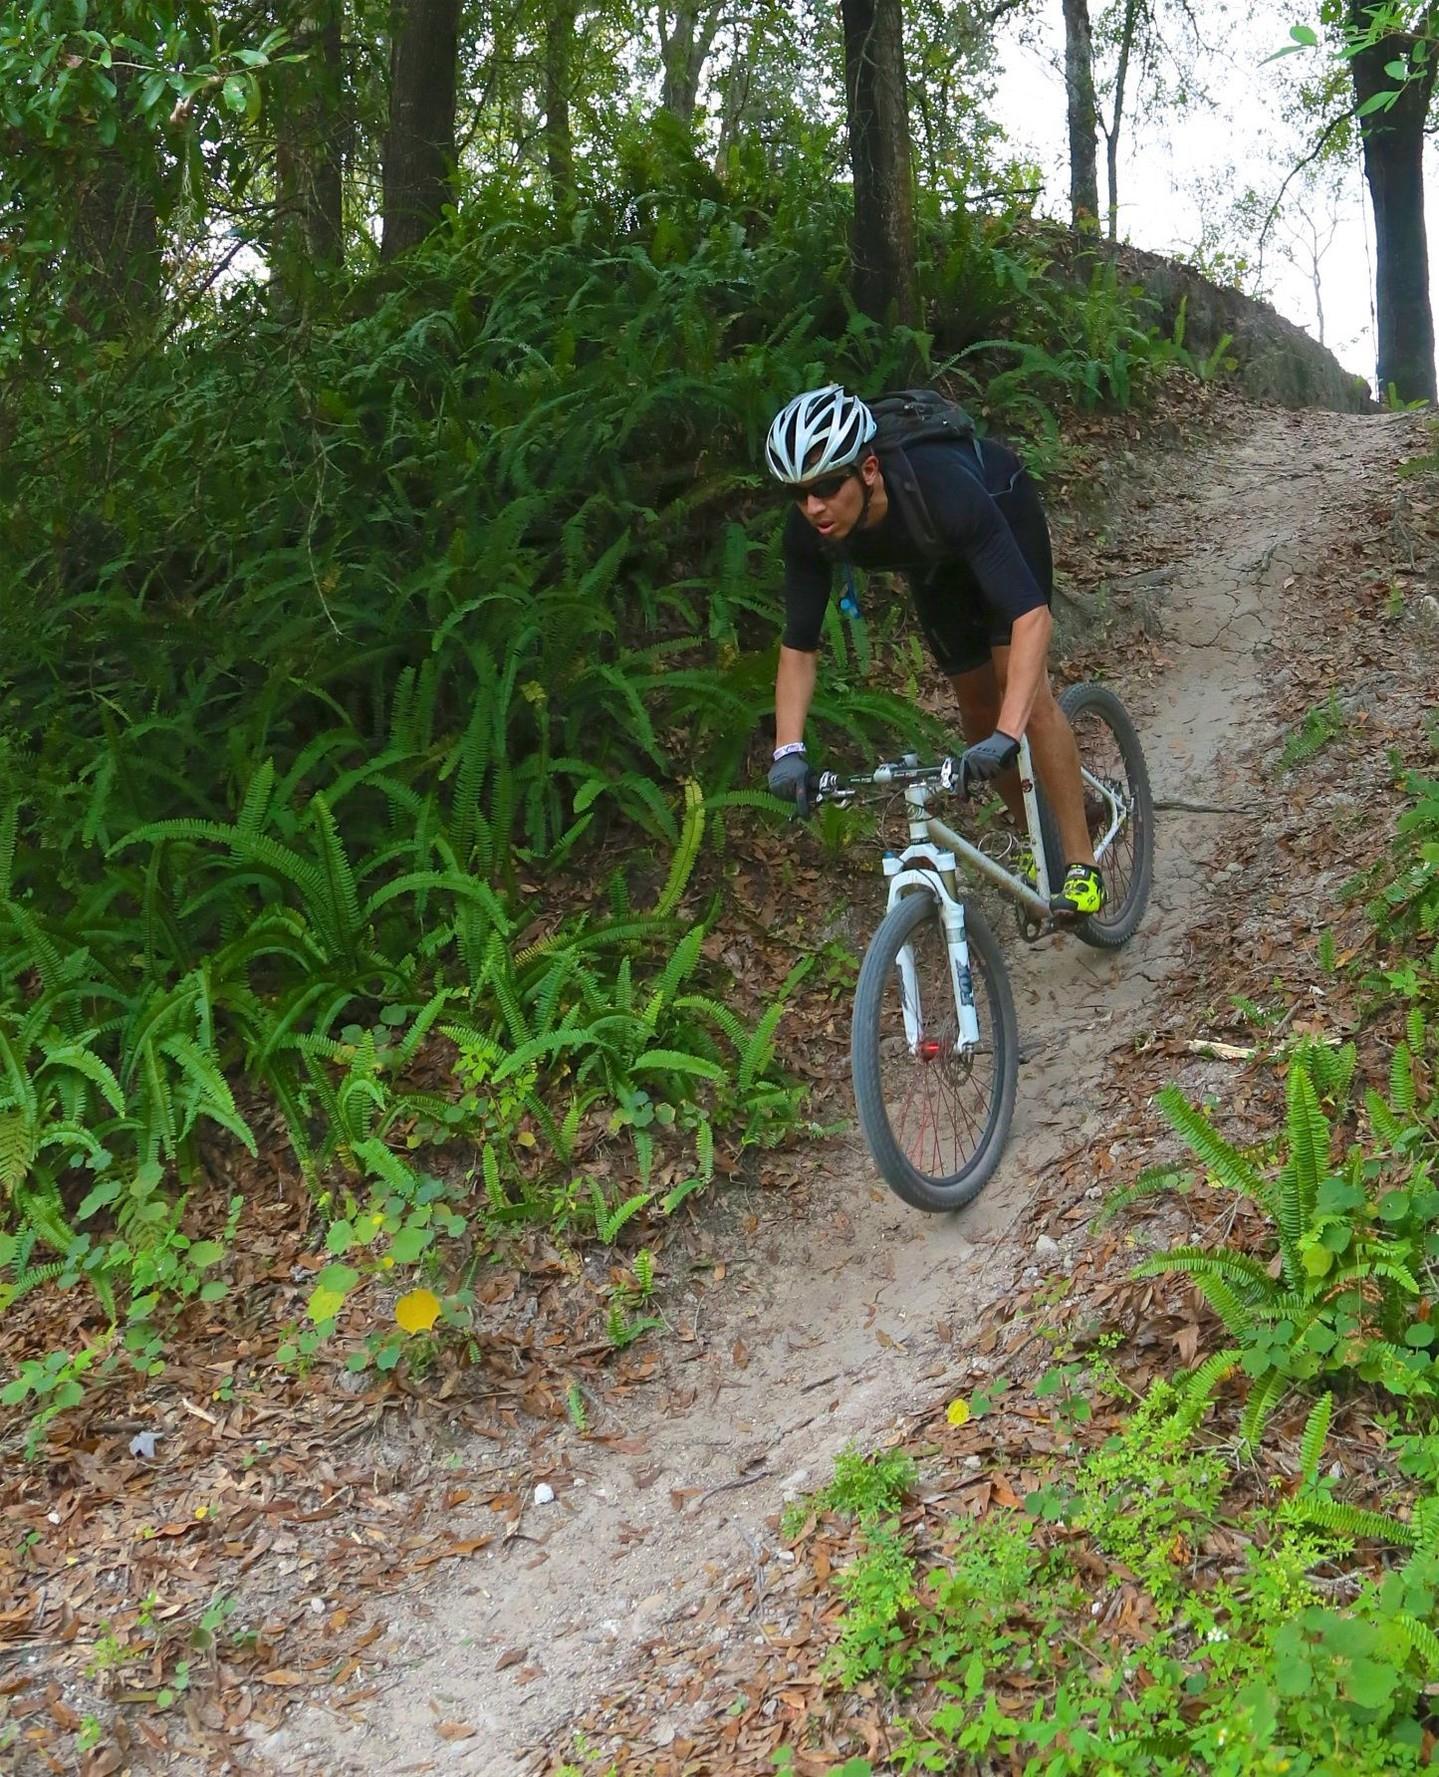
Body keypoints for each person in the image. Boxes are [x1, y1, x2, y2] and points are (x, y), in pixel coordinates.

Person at [763, 383, 1103, 919]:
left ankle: (1082, 866)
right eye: (797, 493)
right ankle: (1037, 844)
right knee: (973, 702)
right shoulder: (808, 530)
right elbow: (799, 647)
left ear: (868, 470)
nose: (813, 506)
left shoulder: (942, 489)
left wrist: (1007, 736)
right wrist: (788, 752)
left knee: (1026, 697)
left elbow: (1032, 617)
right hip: (932, 560)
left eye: (828, 486)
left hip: (998, 513)